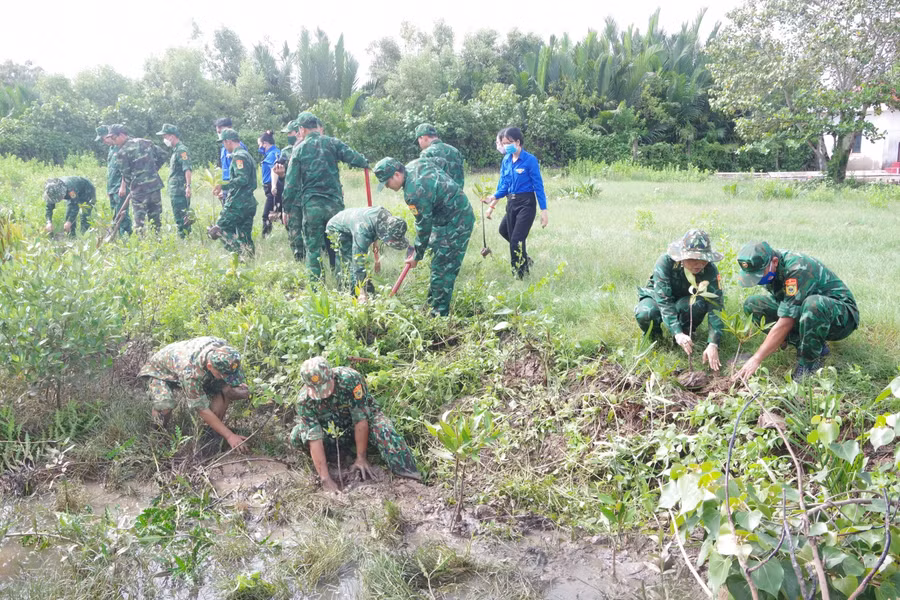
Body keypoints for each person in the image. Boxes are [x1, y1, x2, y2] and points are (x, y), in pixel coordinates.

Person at [290, 357, 420, 491]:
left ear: (332, 376)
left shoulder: (350, 379)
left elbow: (361, 419)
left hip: (358, 424)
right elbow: (314, 438)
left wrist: (361, 458)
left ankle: (408, 477)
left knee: (384, 429)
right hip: (332, 432)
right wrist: (325, 479)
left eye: (324, 388)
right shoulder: (304, 401)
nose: (323, 395)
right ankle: (335, 461)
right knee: (296, 435)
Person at [733, 242, 859, 380]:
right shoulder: (770, 266)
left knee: (813, 304)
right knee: (753, 304)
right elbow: (787, 305)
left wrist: (757, 358)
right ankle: (811, 346)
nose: (757, 280)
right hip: (805, 310)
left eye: (759, 275)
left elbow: (787, 320)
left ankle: (809, 363)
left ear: (774, 262)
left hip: (841, 318)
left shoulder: (797, 268)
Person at [374, 157, 474, 317]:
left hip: (456, 221)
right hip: (447, 216)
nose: (386, 186)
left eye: (387, 182)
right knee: (437, 260)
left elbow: (423, 224)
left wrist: (417, 255)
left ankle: (439, 315)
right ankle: (432, 303)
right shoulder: (415, 164)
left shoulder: (414, 193)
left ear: (397, 174)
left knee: (442, 268)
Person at [282, 112, 369, 280]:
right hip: (334, 206)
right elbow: (354, 157)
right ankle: (343, 283)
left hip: (311, 206)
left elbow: (290, 184)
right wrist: (365, 162)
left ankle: (316, 288)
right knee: (338, 246)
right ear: (316, 126)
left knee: (313, 249)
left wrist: (286, 209)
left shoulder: (298, 150)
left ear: (301, 129)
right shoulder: (332, 143)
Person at [138, 337, 250, 453]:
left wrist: (236, 389)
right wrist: (230, 436)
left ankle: (209, 435)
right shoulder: (190, 373)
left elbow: (229, 375)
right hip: (158, 372)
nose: (226, 378)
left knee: (226, 388)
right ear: (210, 366)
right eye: (222, 374)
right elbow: (201, 409)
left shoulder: (226, 353)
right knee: (165, 406)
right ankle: (157, 437)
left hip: (190, 367)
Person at [635, 229, 724, 371]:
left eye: (704, 259)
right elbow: (663, 299)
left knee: (696, 304)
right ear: (682, 256)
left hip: (686, 298)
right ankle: (656, 340)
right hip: (657, 297)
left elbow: (716, 306)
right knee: (646, 313)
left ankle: (685, 336)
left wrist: (713, 343)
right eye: (694, 259)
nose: (699, 264)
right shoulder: (666, 262)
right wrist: (676, 332)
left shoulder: (710, 271)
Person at [483, 127, 549, 278]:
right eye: (504, 143)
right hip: (511, 203)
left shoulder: (529, 160)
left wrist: (544, 211)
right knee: (505, 231)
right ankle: (525, 261)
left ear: (518, 142)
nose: (506, 146)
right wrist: (492, 198)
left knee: (516, 240)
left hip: (526, 203)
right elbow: (505, 185)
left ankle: (519, 276)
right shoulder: (506, 160)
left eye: (509, 142)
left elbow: (538, 186)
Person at [326, 206, 409, 297]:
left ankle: (363, 287)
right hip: (337, 228)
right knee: (348, 262)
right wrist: (361, 291)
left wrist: (375, 242)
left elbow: (376, 228)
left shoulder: (387, 217)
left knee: (358, 265)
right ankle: (348, 293)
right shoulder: (362, 231)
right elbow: (358, 260)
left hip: (353, 224)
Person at [108, 124, 167, 232]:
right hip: (154, 186)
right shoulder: (145, 142)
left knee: (139, 222)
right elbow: (162, 155)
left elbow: (126, 175)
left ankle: (141, 245)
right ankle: (157, 241)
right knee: (156, 219)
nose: (113, 141)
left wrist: (135, 183)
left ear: (121, 135)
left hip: (138, 191)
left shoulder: (121, 153)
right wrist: (153, 170)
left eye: (114, 138)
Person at [210, 128, 258, 257]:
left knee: (219, 229)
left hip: (238, 202)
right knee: (245, 235)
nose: (223, 146)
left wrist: (223, 185)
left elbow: (242, 179)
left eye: (223, 143)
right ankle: (249, 261)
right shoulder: (245, 154)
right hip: (248, 202)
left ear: (228, 141)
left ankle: (240, 254)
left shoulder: (239, 156)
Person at [157, 123, 193, 238]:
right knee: (178, 214)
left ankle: (184, 237)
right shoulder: (175, 150)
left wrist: (188, 186)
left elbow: (187, 168)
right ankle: (183, 236)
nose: (164, 139)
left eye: (165, 136)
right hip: (175, 189)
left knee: (182, 214)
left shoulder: (182, 151)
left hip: (180, 189)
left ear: (172, 136)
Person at [96, 125, 131, 235]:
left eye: (104, 138)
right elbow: (111, 170)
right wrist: (109, 189)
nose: (104, 141)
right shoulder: (111, 149)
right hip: (112, 187)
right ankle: (117, 235)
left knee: (122, 213)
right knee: (114, 213)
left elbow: (126, 169)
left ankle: (126, 235)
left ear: (110, 136)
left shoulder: (122, 147)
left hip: (120, 187)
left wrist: (123, 186)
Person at [415, 123, 464, 187]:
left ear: (423, 137)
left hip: (439, 196)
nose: (419, 143)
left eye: (418, 140)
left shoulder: (427, 153)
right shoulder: (455, 150)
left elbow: (425, 182)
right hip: (458, 195)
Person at [258, 131, 280, 237]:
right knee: (276, 213)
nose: (260, 147)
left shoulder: (272, 154)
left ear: (265, 143)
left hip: (273, 187)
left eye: (260, 144)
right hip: (270, 188)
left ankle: (265, 237)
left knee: (267, 215)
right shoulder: (271, 153)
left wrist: (274, 186)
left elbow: (274, 170)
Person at [214, 117, 247, 185]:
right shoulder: (223, 148)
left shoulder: (239, 148)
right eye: (218, 132)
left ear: (230, 128)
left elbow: (242, 173)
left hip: (235, 184)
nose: (220, 134)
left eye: (221, 131)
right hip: (226, 183)